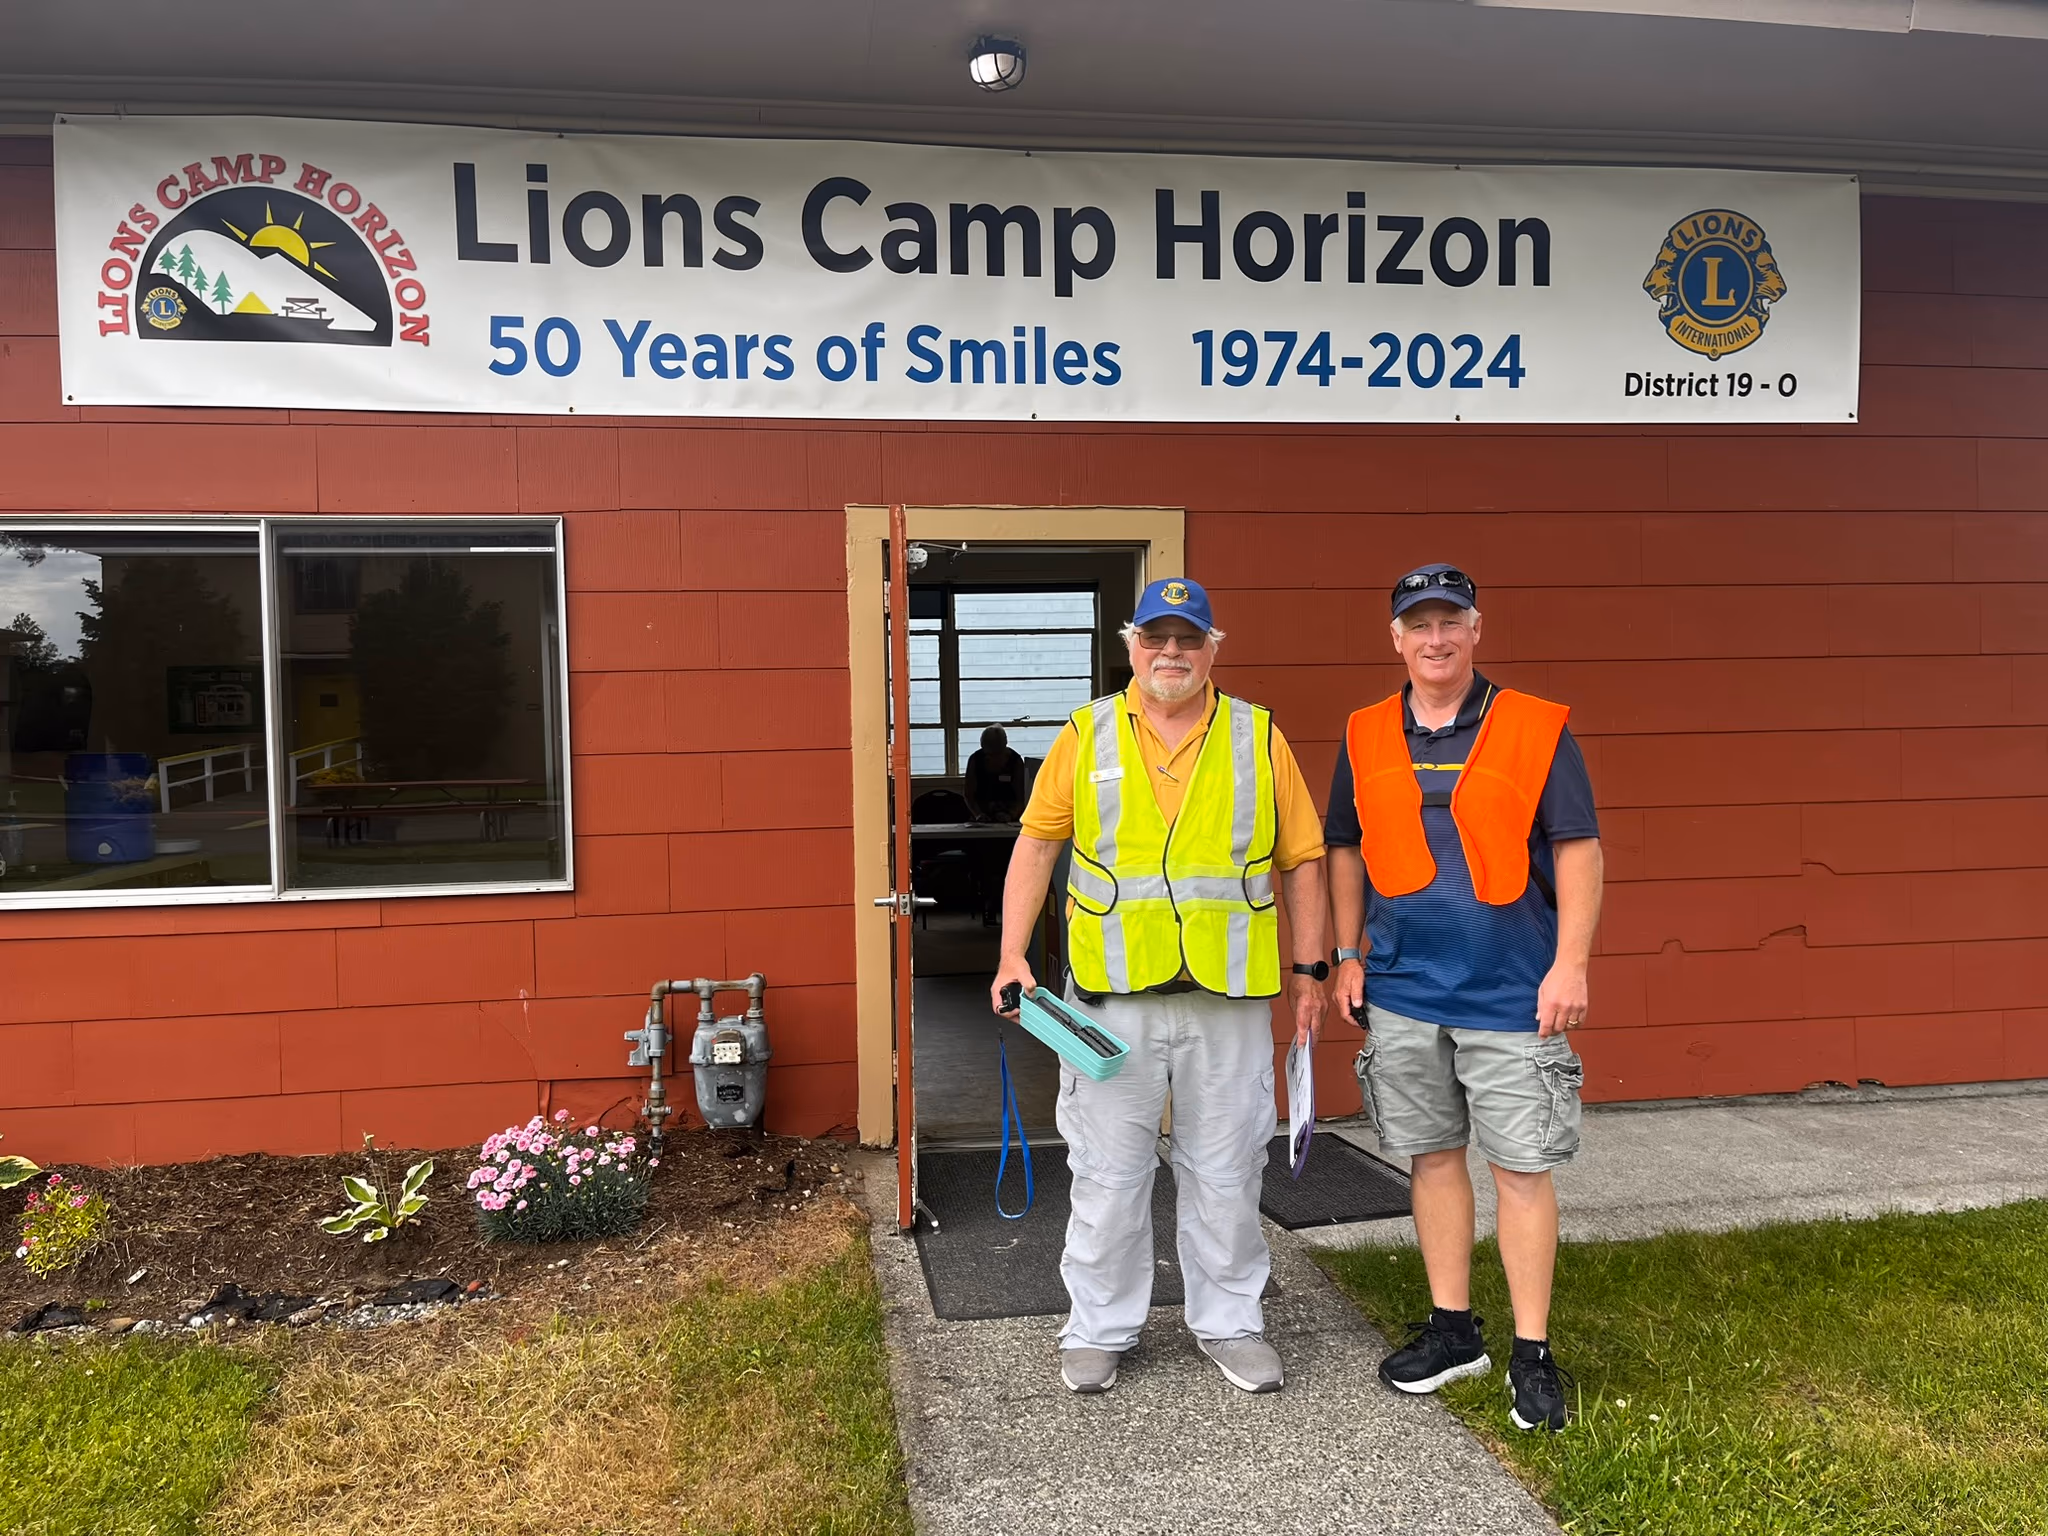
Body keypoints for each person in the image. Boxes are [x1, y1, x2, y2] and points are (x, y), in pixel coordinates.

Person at [990, 577, 1328, 1396]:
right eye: (1156, 637)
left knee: (1228, 1166)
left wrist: (1310, 970)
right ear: (1130, 643)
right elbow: (1036, 846)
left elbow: (1303, 860)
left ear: (1215, 646)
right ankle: (1100, 1328)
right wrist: (1011, 958)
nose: (1171, 652)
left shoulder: (1258, 734)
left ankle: (1232, 1323)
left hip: (1230, 1000)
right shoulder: (1086, 732)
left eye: (1189, 638)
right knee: (1108, 1170)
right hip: (1112, 1001)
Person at [1324, 563, 1602, 1433]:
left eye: (1451, 622)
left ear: (1476, 629)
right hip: (1404, 988)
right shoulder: (1366, 732)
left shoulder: (1535, 728)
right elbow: (1343, 847)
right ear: (1396, 637)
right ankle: (1454, 1332)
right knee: (1431, 1156)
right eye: (1418, 624)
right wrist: (1345, 954)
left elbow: (1578, 849)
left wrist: (1571, 964)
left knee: (1521, 1169)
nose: (1434, 639)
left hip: (1514, 991)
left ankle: (1532, 1353)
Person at [963, 726, 1028, 821]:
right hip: (981, 815)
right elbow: (969, 794)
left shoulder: (1015, 761)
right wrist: (978, 815)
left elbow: (1022, 796)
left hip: (1009, 815)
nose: (994, 757)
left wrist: (1011, 814)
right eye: (989, 754)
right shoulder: (975, 760)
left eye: (998, 753)